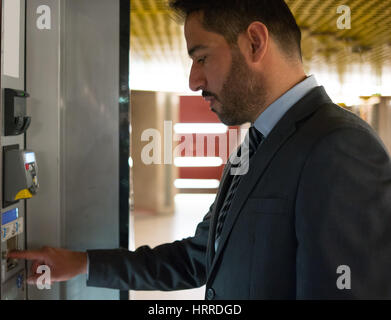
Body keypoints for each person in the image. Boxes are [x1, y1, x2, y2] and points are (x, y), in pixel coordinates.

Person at [9, 0, 391, 299]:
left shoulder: (339, 147)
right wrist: (83, 264)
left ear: (255, 42)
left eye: (202, 57)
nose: (194, 80)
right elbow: (199, 257)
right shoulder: (253, 145)